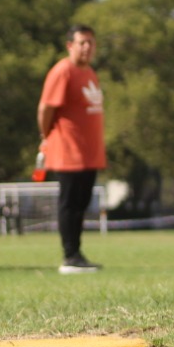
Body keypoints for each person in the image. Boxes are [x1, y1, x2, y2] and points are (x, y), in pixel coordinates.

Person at [37, 24, 106, 273]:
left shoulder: (90, 73)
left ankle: (77, 254)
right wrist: (46, 136)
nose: (87, 47)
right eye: (82, 43)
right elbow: (45, 108)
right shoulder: (62, 71)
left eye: (91, 42)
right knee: (70, 204)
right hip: (68, 150)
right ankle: (70, 256)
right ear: (70, 46)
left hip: (90, 153)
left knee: (82, 204)